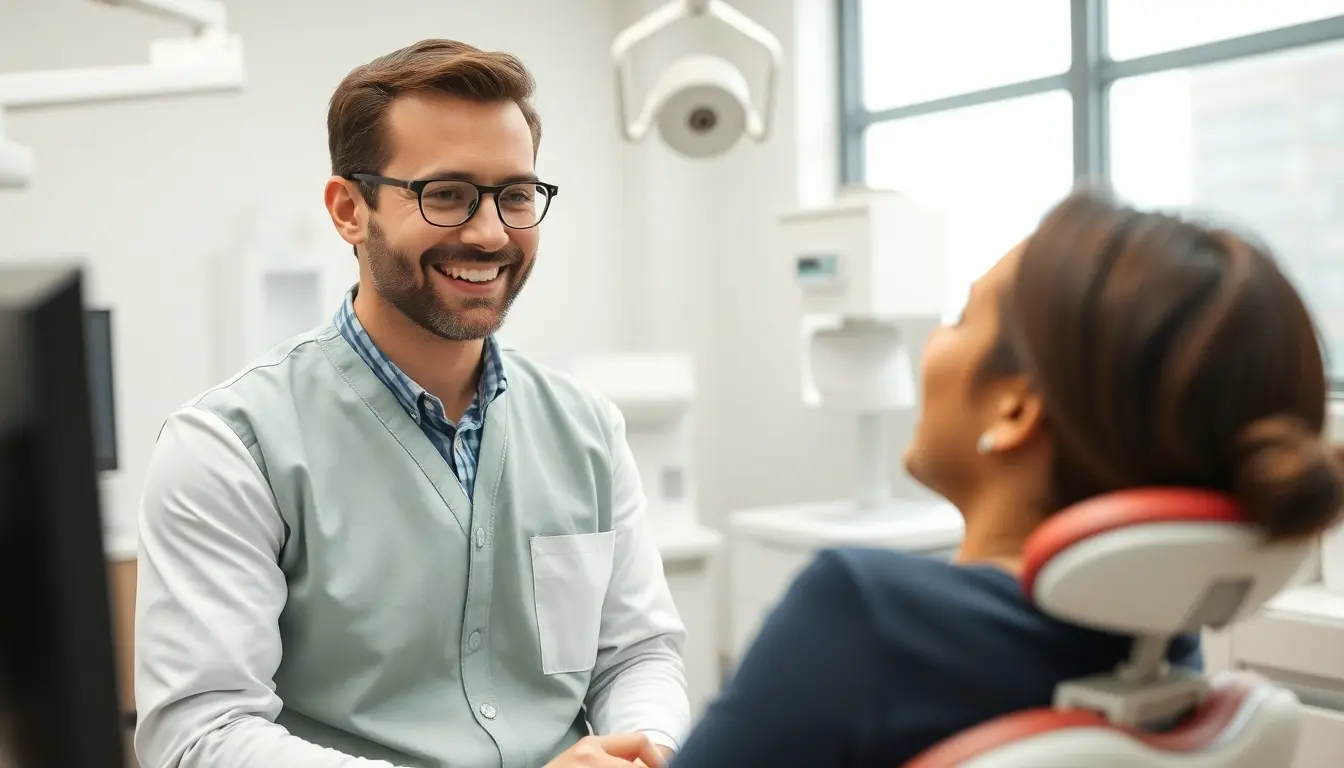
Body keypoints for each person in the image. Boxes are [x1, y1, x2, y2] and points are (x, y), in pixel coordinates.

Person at [134, 39, 689, 768]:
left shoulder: (586, 426)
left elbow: (637, 653)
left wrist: (646, 747)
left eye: (516, 195)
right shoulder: (227, 447)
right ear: (348, 210)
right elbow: (200, 732)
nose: (491, 233)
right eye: (447, 193)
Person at [668, 189, 1344, 767]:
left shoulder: (861, 617)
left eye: (960, 318)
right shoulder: (1165, 644)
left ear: (1015, 406)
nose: (933, 342)